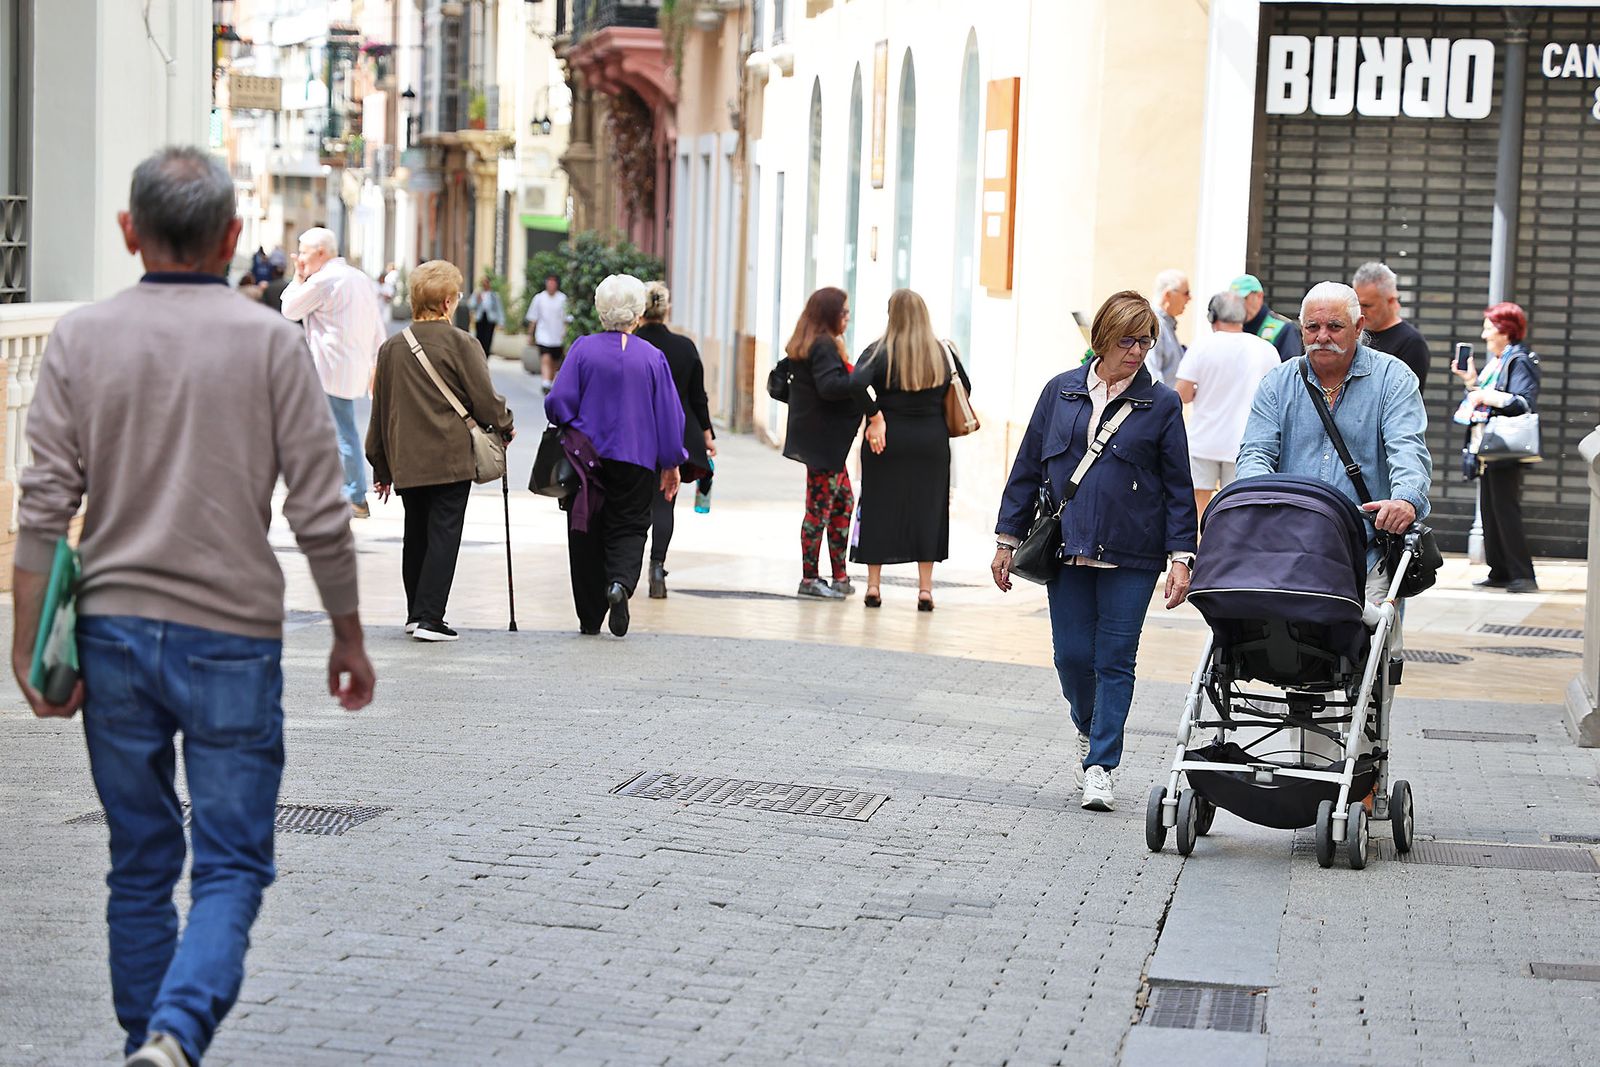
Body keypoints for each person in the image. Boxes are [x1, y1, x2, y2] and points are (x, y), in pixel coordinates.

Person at [10, 147, 374, 1067]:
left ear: (129, 233)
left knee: (139, 859)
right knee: (232, 863)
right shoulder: (267, 343)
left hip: (114, 635)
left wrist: (26, 646)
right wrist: (347, 632)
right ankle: (172, 1037)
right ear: (233, 237)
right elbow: (319, 507)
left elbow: (43, 505)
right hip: (231, 638)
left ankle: (152, 1037)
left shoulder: (81, 340)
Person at [992, 291, 1197, 813]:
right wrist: (1005, 540)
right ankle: (1088, 727)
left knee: (1115, 658)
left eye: (1146, 341)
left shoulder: (1162, 402)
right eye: (1127, 340)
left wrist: (1182, 557)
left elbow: (1178, 486)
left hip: (1133, 551)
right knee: (1072, 657)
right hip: (1067, 547)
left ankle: (1101, 765)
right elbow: (1027, 468)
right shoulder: (1059, 392)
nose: (1137, 351)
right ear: (1101, 339)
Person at [1236, 281, 1432, 637]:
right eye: (1312, 327)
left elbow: (1408, 450)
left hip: (1366, 551)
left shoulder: (1393, 379)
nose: (1322, 336)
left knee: (1365, 654)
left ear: (1358, 328)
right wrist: (1256, 501)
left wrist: (1405, 499)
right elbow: (1255, 454)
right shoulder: (1277, 383)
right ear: (1301, 328)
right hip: (1286, 548)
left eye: (1334, 327)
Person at [367, 260, 515, 641]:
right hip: (450, 458)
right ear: (448, 302)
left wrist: (380, 465)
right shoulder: (463, 344)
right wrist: (504, 424)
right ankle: (431, 617)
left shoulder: (391, 348)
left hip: (407, 459)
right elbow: (484, 399)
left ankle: (416, 612)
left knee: (415, 532)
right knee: (444, 533)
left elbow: (380, 410)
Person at [545, 274, 688, 636]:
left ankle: (590, 616)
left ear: (600, 311)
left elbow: (558, 404)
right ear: (638, 314)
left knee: (585, 530)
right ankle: (620, 585)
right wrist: (671, 462)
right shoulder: (653, 358)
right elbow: (670, 416)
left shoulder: (582, 349)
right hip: (637, 459)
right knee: (630, 525)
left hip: (586, 460)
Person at [848, 289, 970, 611]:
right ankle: (925, 591)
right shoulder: (942, 352)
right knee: (928, 510)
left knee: (877, 506)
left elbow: (855, 384)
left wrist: (875, 416)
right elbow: (965, 388)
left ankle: (874, 587)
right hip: (931, 440)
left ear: (892, 316)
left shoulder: (878, 351)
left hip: (886, 440)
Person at [281, 226, 387, 520]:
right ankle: (342, 492)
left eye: (303, 253)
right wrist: (375, 363)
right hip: (349, 367)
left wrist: (298, 277)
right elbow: (377, 326)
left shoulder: (325, 280)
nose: (300, 259)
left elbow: (290, 309)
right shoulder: (359, 279)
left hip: (327, 368)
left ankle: (353, 494)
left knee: (341, 431)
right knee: (338, 429)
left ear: (320, 253)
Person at [636, 281, 716, 599]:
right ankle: (657, 566)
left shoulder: (632, 344)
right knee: (664, 502)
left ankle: (624, 569)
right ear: (667, 309)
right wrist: (707, 435)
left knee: (634, 505)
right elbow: (698, 396)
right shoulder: (685, 347)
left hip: (638, 434)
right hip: (677, 433)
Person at [1454, 301, 1540, 593]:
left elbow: (1523, 402)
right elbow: (1483, 397)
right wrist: (1472, 383)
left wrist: (1484, 394)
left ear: (1505, 330)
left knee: (1505, 510)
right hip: (1489, 448)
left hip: (1505, 447)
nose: (1484, 334)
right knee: (1491, 509)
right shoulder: (1500, 360)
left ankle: (1522, 575)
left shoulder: (1519, 359)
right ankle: (1501, 570)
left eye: (1489, 328)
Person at [781, 287, 861, 600]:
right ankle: (810, 578)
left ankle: (839, 575)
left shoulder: (806, 342)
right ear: (829, 314)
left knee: (842, 503)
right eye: (843, 312)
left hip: (820, 441)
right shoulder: (824, 344)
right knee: (819, 509)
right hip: (823, 443)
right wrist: (861, 379)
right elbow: (829, 387)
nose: (847, 317)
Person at [1174, 291, 1281, 515]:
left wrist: (1199, 392)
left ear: (1213, 317)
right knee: (1237, 505)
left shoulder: (1202, 346)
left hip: (1204, 440)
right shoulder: (1266, 349)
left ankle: (1198, 548)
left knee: (1197, 504)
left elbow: (1181, 395)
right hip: (1246, 443)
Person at [1353, 261, 1431, 388]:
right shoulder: (1353, 332)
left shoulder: (1411, 343)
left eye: (1367, 305)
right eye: (1357, 304)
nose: (1360, 311)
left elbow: (1407, 400)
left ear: (1390, 301)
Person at [1231, 273, 1304, 362]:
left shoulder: (1284, 329)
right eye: (1235, 301)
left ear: (1259, 296)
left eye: (1243, 299)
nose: (1239, 305)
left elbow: (1291, 371)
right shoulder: (1231, 328)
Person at [526, 273, 570, 391]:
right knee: (545, 358)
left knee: (555, 361)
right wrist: (530, 334)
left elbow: (567, 319)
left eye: (553, 282)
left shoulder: (562, 299)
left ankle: (550, 381)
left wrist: (565, 334)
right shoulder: (539, 298)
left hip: (557, 335)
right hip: (543, 335)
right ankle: (545, 382)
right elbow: (533, 318)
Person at [1149, 269, 1191, 387]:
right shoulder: (1154, 324)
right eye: (1186, 293)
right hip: (1160, 403)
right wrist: (1163, 404)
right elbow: (1152, 373)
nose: (1189, 298)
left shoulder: (1166, 324)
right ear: (1168, 295)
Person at [466, 274, 504, 357]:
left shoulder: (494, 295)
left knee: (488, 338)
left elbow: (499, 309)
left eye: (486, 282)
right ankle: (479, 354)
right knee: (479, 337)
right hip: (480, 318)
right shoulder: (477, 294)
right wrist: (477, 300)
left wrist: (501, 321)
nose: (485, 284)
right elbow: (471, 306)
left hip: (490, 319)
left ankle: (486, 354)